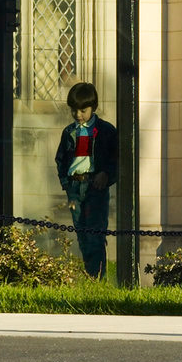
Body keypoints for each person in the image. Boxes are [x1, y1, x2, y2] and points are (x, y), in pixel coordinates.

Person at [55, 81, 119, 278]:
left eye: (83, 110)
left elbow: (116, 158)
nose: (78, 114)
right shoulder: (69, 132)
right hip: (75, 186)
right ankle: (90, 274)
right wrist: (67, 186)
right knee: (82, 232)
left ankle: (97, 277)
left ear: (94, 107)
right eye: (74, 110)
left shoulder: (106, 131)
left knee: (95, 233)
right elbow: (61, 160)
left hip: (95, 187)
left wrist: (106, 174)